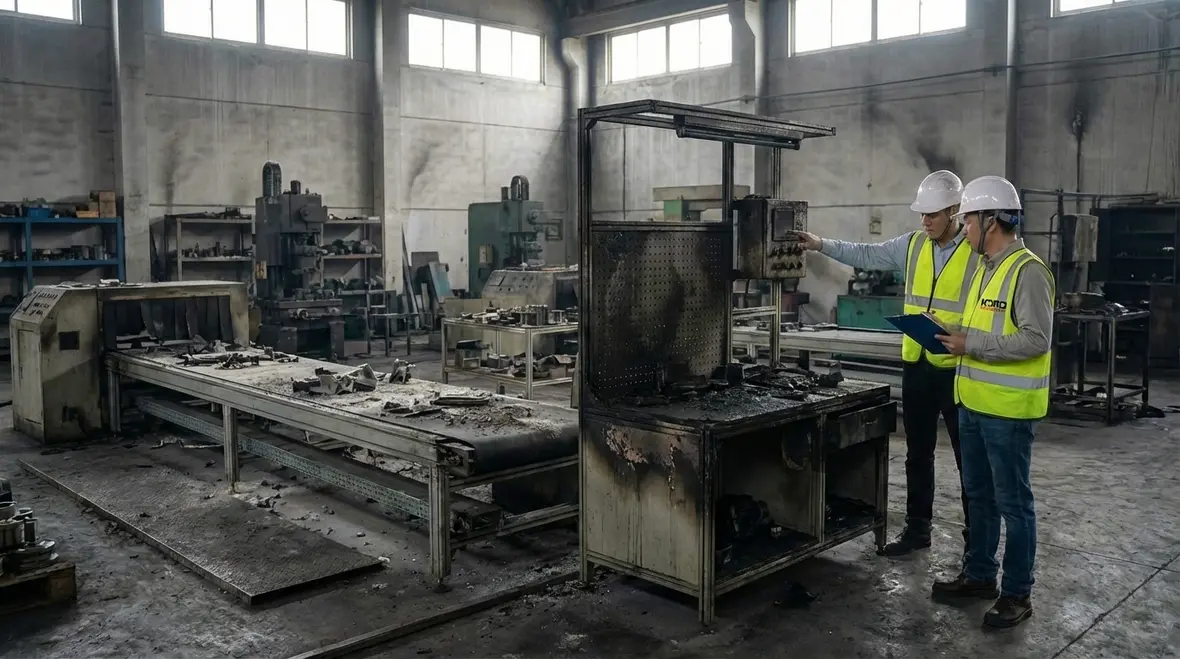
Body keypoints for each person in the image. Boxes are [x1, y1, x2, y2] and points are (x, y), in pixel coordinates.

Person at [795, 170, 978, 558]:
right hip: (918, 366)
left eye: (932, 215)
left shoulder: (976, 252)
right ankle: (917, 530)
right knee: (918, 453)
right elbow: (864, 253)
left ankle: (975, 543)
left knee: (969, 461)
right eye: (922, 214)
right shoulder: (912, 245)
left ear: (955, 211)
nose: (924, 221)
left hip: (960, 370)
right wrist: (820, 243)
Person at [930, 175, 1054, 629]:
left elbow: (1036, 340)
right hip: (974, 405)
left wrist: (971, 344)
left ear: (992, 220)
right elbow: (982, 326)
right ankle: (980, 574)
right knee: (978, 496)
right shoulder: (986, 268)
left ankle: (1017, 593)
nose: (963, 230)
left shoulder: (1029, 272)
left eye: (968, 222)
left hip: (1008, 413)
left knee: (1013, 504)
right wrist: (941, 327)